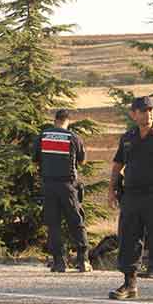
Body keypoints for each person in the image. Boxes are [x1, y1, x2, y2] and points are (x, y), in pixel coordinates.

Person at [108, 96, 153, 301]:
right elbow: (117, 165)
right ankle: (129, 284)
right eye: (143, 111)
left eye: (151, 110)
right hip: (131, 196)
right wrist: (111, 189)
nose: (148, 114)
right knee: (129, 237)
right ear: (134, 114)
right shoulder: (128, 137)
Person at [33, 109, 92, 273]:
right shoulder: (73, 137)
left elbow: (36, 160)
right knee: (76, 222)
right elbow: (82, 161)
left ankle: (59, 262)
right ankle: (83, 260)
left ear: (55, 120)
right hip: (68, 185)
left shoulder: (43, 136)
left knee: (54, 224)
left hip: (49, 185)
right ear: (68, 121)